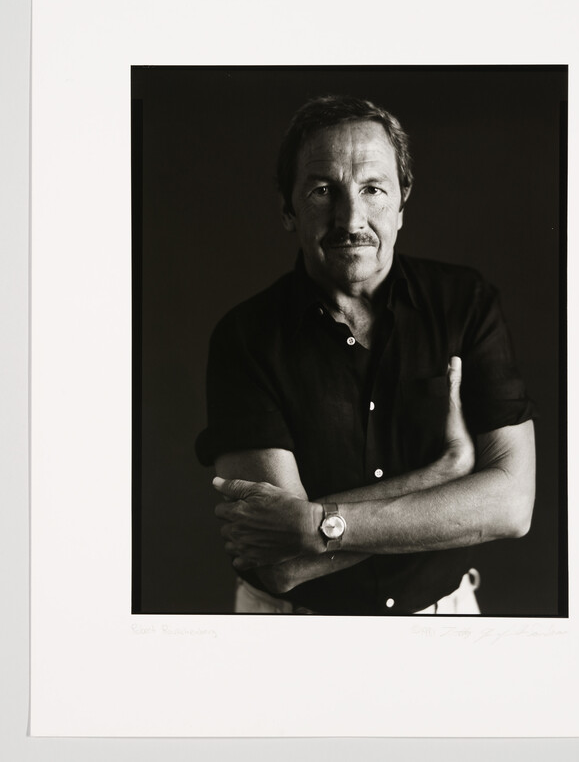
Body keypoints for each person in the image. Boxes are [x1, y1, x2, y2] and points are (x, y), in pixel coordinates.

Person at [195, 94, 536, 615]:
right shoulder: (245, 337)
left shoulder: (464, 303)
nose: (351, 217)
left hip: (442, 620)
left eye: (373, 188)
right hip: (294, 629)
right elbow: (281, 566)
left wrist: (318, 526)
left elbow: (512, 506)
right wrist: (445, 473)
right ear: (288, 208)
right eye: (322, 190)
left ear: (403, 201)